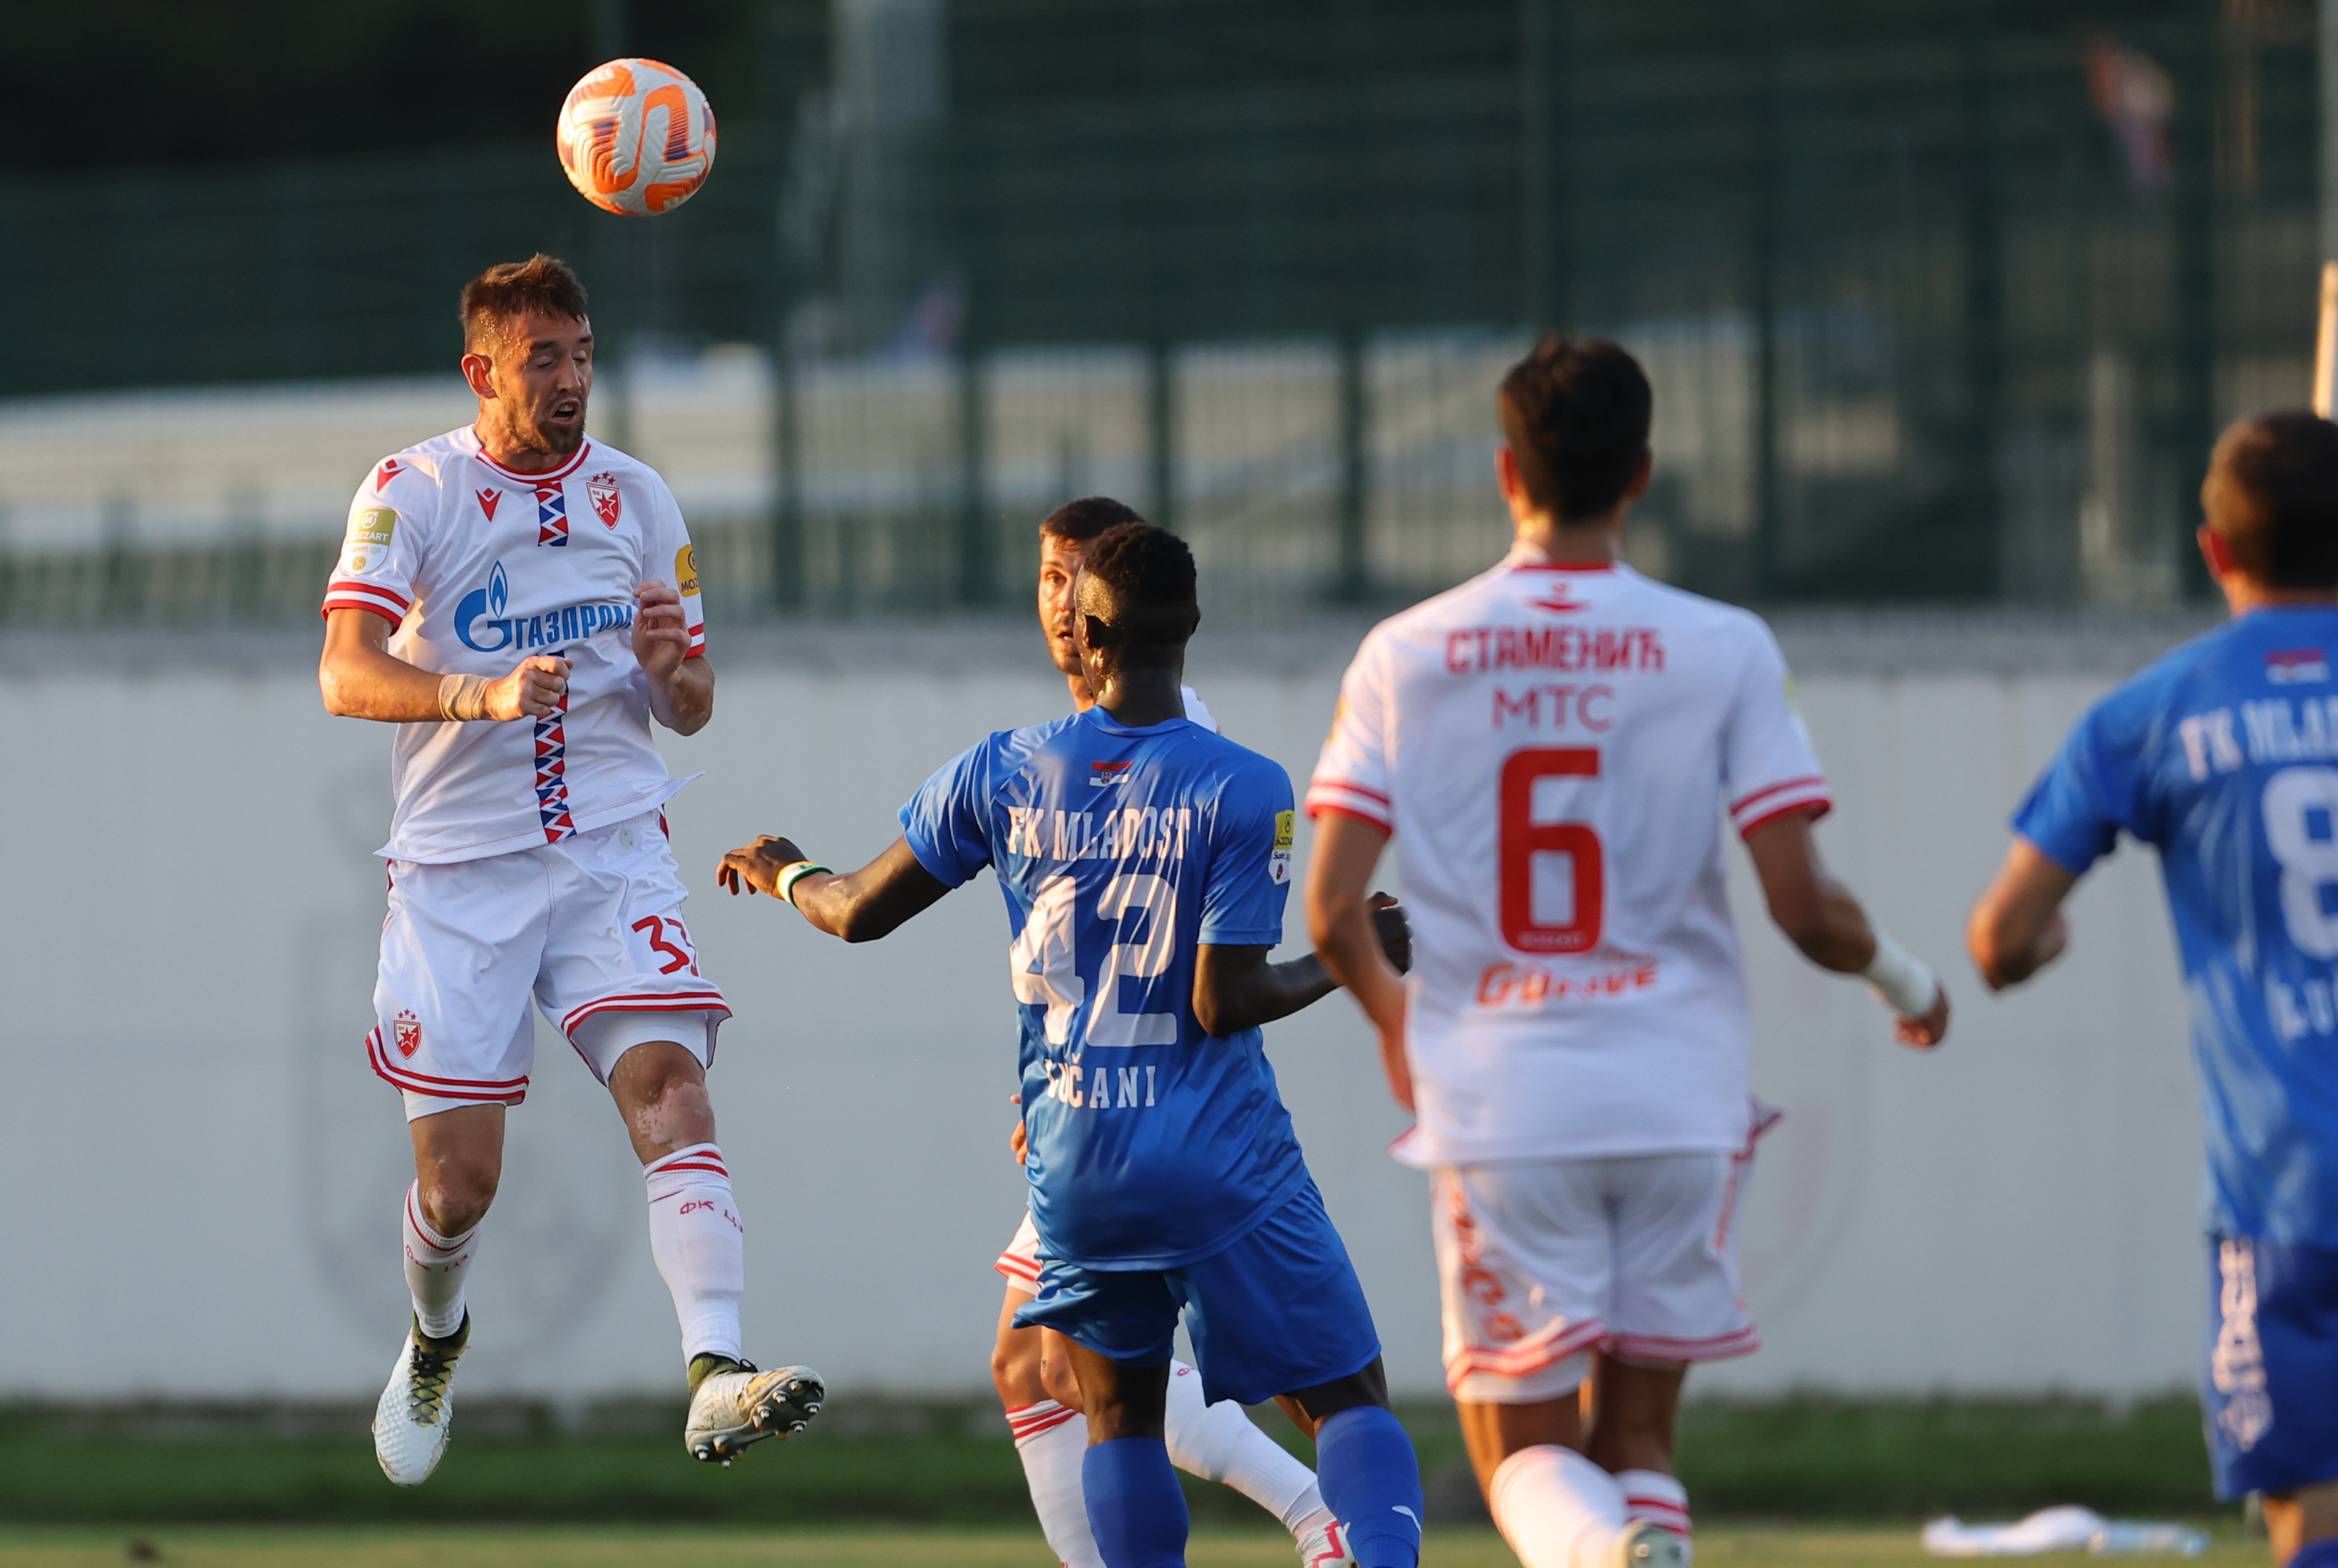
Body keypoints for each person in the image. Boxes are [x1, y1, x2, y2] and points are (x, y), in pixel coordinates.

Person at [1302, 337, 1950, 1568]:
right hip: (1681, 1097)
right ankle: (1636, 1543)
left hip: (1501, 1098)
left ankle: (1605, 1555)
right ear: (1642, 471)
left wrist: (1401, 1031)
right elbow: (1806, 908)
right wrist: (1905, 982)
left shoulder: (1408, 651)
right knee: (1640, 1443)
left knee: (1525, 1458)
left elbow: (1334, 912)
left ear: (1506, 471)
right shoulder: (1723, 645)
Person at [717, 522, 1428, 1568]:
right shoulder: (1246, 784)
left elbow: (859, 910)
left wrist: (788, 872)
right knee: (1348, 1400)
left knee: (1121, 1418)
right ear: (1190, 630)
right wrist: (1346, 956)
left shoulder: (1002, 770)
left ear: (1089, 633)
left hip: (1078, 1164)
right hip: (1219, 1154)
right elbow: (1223, 1000)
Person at [316, 254, 820, 1486]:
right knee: (461, 1186)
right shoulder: (412, 491)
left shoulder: (640, 498)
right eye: (543, 359)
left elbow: (692, 705)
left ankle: (715, 1374)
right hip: (457, 875)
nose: (571, 381)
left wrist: (671, 672)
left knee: (671, 1088)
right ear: (480, 370)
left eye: (583, 355)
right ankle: (439, 1336)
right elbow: (344, 672)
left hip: (609, 847)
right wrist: (475, 693)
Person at [1967, 410, 2338, 1568]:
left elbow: (1998, 936)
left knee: (2311, 1519)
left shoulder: (2152, 715)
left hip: (2283, 1195)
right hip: (2281, 1194)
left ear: (2214, 551)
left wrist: (2038, 952)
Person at [989, 497, 1368, 1568]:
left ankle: (1324, 1518)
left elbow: (1195, 974)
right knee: (1036, 1366)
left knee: (1162, 1376)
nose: (1060, 604)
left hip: (1154, 1119)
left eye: (1076, 580)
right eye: (1047, 577)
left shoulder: (1173, 743)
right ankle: (1327, 1520)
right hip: (1100, 1109)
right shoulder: (1075, 744)